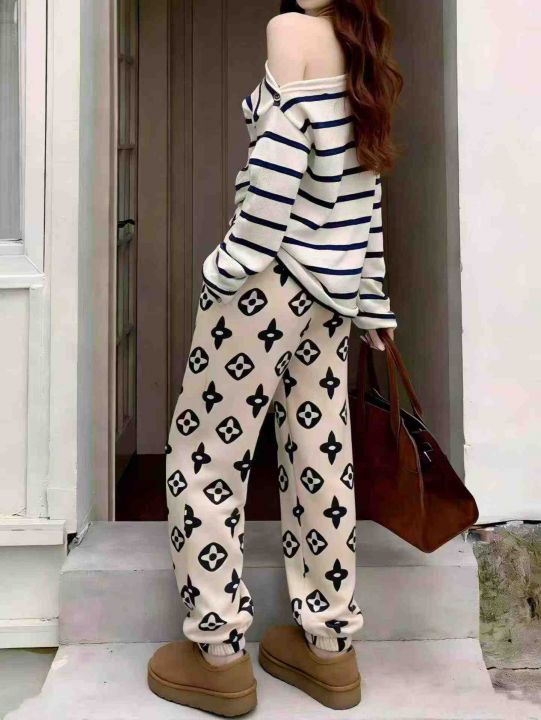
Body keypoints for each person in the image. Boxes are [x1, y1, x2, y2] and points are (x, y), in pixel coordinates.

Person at [148, 0, 402, 715]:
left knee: (204, 453)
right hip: (331, 296)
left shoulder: (290, 31)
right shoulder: (362, 52)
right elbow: (365, 193)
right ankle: (330, 647)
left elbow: (275, 171)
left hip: (265, 284)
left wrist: (229, 266)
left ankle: (218, 654)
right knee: (319, 455)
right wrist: (371, 302)